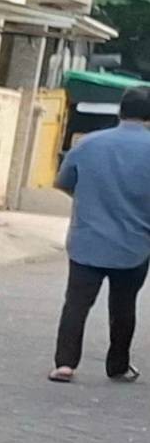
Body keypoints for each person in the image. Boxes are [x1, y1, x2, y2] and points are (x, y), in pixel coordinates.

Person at [53, 80, 150, 383]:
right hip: (135, 244)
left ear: (120, 111)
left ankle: (65, 364)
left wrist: (89, 201)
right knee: (123, 305)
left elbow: (63, 182)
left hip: (87, 239)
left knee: (77, 303)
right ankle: (118, 365)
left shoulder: (88, 144)